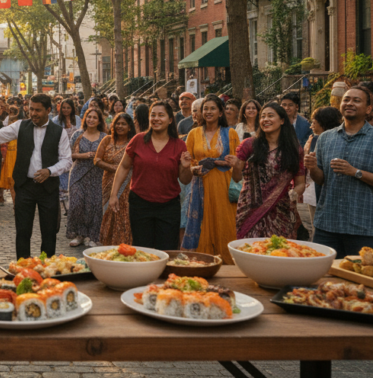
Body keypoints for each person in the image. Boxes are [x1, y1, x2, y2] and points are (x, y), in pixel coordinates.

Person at [0, 95, 72, 258]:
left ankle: (47, 269)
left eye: (38, 110)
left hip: (48, 189)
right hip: (24, 187)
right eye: (31, 109)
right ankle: (23, 267)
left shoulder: (58, 132)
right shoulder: (20, 126)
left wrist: (50, 171)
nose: (33, 113)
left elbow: (67, 160)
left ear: (49, 110)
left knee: (49, 233)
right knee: (23, 232)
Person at [305, 86, 373, 257]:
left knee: (360, 279)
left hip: (365, 228)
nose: (350, 103)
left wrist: (356, 172)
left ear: (368, 108)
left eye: (356, 100)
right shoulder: (326, 138)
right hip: (327, 224)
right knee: (324, 277)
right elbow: (321, 180)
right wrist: (312, 168)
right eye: (346, 99)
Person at [108, 101, 194, 251]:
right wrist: (113, 194)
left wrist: (186, 167)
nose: (156, 118)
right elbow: (124, 166)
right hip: (140, 204)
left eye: (161, 115)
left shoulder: (179, 145)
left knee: (167, 250)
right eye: (153, 115)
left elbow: (185, 179)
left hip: (169, 206)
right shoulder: (138, 140)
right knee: (142, 248)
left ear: (170, 120)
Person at [230, 102, 306, 239]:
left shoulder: (293, 149)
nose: (265, 119)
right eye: (263, 116)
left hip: (281, 208)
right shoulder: (249, 145)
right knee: (250, 250)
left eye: (270, 116)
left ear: (282, 120)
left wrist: (294, 193)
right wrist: (236, 166)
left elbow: (300, 182)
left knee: (278, 251)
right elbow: (236, 178)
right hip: (250, 208)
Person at [181, 95, 241, 262]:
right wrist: (194, 169)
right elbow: (187, 164)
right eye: (205, 109)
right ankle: (201, 263)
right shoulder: (193, 134)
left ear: (221, 112)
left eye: (212, 108)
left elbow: (237, 164)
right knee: (201, 227)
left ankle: (230, 267)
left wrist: (231, 163)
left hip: (223, 188)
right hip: (200, 187)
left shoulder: (230, 133)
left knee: (225, 226)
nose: (208, 112)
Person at [65, 108, 108, 247]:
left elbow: (108, 156)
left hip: (97, 175)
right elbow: (67, 155)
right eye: (89, 117)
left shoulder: (104, 137)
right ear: (85, 118)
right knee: (77, 204)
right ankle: (79, 234)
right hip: (78, 174)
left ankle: (92, 236)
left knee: (94, 206)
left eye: (95, 117)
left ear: (99, 120)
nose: (91, 120)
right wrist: (84, 155)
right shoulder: (77, 135)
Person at [301, 106, 342, 240]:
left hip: (319, 188)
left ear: (323, 123)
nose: (311, 126)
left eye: (314, 122)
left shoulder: (319, 140)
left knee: (316, 227)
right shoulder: (314, 139)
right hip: (314, 187)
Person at [95, 113, 136, 246]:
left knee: (123, 214)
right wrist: (114, 168)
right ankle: (107, 244)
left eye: (123, 124)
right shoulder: (107, 140)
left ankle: (124, 245)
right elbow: (97, 160)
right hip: (108, 182)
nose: (120, 126)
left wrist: (121, 170)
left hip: (127, 183)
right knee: (108, 212)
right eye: (117, 123)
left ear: (130, 127)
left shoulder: (133, 142)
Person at [53, 99, 79, 214]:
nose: (66, 110)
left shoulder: (78, 120)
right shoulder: (56, 121)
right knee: (63, 182)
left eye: (68, 107)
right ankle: (66, 208)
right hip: (61, 154)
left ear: (72, 108)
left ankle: (72, 206)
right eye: (64, 107)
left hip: (76, 154)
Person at [0, 104, 21, 205]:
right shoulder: (6, 124)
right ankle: (14, 202)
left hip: (15, 155)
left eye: (13, 111)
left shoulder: (20, 125)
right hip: (8, 156)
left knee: (13, 180)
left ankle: (16, 203)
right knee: (8, 179)